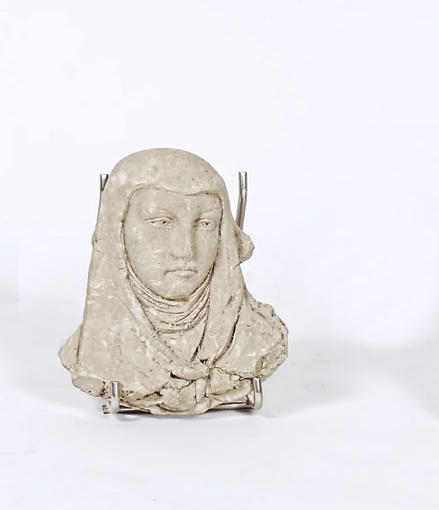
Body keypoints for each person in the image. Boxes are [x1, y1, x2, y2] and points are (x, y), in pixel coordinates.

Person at [59, 149, 287, 414]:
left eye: (205, 224)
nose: (185, 251)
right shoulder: (99, 348)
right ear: (117, 229)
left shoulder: (258, 338)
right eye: (162, 222)